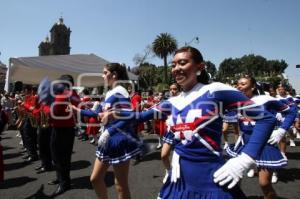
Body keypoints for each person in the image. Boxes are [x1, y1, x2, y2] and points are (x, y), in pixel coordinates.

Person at [105, 46, 276, 199]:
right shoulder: (172, 102)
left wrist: (244, 160)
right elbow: (141, 116)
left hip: (212, 177)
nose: (176, 69)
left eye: (182, 63)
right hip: (179, 178)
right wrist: (118, 113)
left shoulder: (215, 91)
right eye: (173, 65)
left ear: (200, 67)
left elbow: (266, 118)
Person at [226, 76, 296, 198]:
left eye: (243, 84)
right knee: (235, 180)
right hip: (245, 144)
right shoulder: (235, 102)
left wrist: (281, 130)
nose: (239, 86)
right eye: (238, 84)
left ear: (253, 86)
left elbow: (290, 112)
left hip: (264, 144)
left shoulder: (266, 99)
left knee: (264, 183)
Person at [90, 63, 141, 199]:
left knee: (120, 185)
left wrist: (109, 132)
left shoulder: (120, 90)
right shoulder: (110, 92)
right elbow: (104, 115)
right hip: (107, 139)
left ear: (114, 75)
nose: (103, 76)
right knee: (95, 179)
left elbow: (128, 116)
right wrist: (77, 110)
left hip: (118, 138)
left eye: (105, 72)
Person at [48, 74, 81, 197]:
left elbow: (54, 109)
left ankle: (64, 182)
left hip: (63, 128)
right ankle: (60, 177)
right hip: (60, 127)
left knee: (61, 156)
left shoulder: (64, 94)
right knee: (58, 156)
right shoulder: (72, 94)